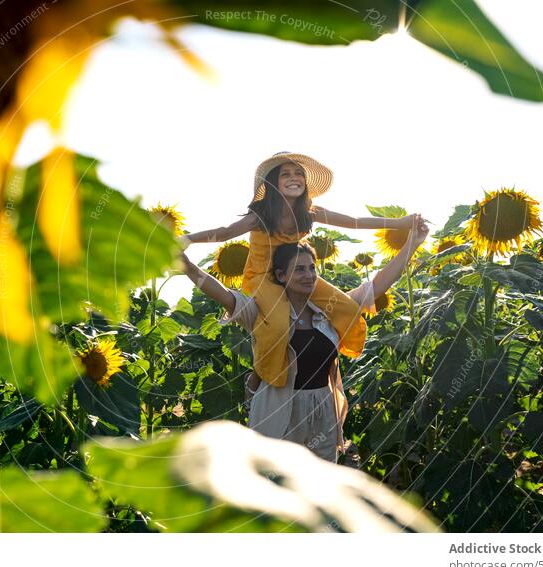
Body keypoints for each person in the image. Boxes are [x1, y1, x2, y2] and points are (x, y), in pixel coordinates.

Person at [180, 217, 429, 462]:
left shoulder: (330, 312)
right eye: (299, 269)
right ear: (281, 275)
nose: (308, 275)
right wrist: (188, 266)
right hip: (278, 410)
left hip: (322, 410)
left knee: (319, 488)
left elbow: (376, 287)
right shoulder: (262, 313)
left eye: (312, 268)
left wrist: (413, 243)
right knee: (276, 486)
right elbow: (224, 295)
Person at [181, 152, 422, 389]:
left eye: (299, 174)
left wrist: (399, 223)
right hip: (263, 278)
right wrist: (188, 239)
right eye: (285, 174)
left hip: (296, 273)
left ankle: (321, 361)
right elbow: (225, 233)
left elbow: (354, 221)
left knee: (345, 307)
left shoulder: (309, 212)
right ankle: (261, 378)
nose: (294, 178)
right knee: (277, 323)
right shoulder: (261, 215)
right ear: (273, 182)